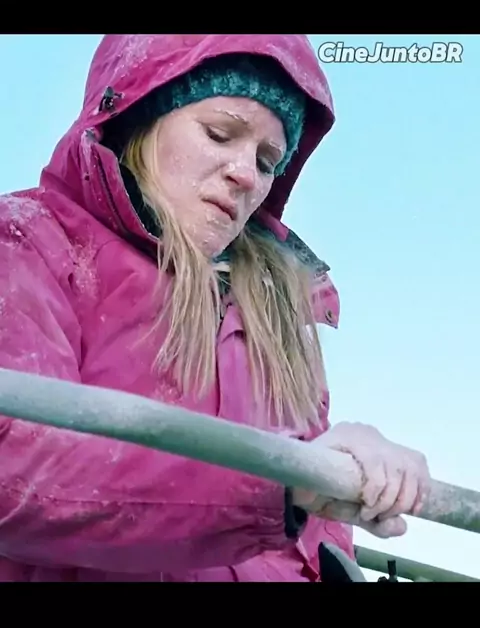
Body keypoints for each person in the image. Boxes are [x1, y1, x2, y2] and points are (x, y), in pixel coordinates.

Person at [0, 34, 431, 582]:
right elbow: (16, 468)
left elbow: (311, 540)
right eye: (219, 134)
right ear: (141, 115)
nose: (246, 175)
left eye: (268, 161)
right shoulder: (28, 242)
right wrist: (283, 481)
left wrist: (343, 487)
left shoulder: (276, 311)